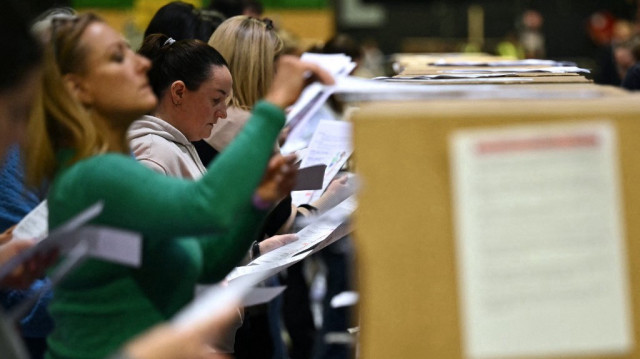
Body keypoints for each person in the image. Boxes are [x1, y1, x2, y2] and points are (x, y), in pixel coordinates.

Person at [25, 11, 333, 359]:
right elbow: (207, 207)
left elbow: (203, 262)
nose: (141, 64)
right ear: (78, 88)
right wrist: (273, 104)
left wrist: (259, 202)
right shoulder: (96, 174)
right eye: (117, 57)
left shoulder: (115, 164)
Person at [207, 16, 351, 359]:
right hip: (242, 295)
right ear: (260, 71)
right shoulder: (251, 129)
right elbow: (280, 226)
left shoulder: (208, 122)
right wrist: (327, 202)